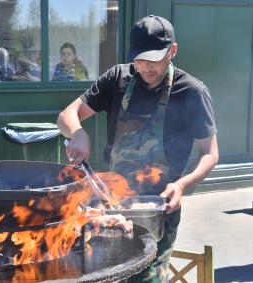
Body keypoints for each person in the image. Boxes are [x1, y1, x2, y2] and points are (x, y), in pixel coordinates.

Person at [57, 15, 219, 282]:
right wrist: (78, 133)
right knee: (103, 274)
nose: (146, 66)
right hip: (113, 207)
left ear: (173, 50)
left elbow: (210, 153)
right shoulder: (117, 78)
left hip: (158, 211)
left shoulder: (192, 92)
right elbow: (67, 114)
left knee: (146, 278)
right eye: (140, 59)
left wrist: (182, 185)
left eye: (154, 58)